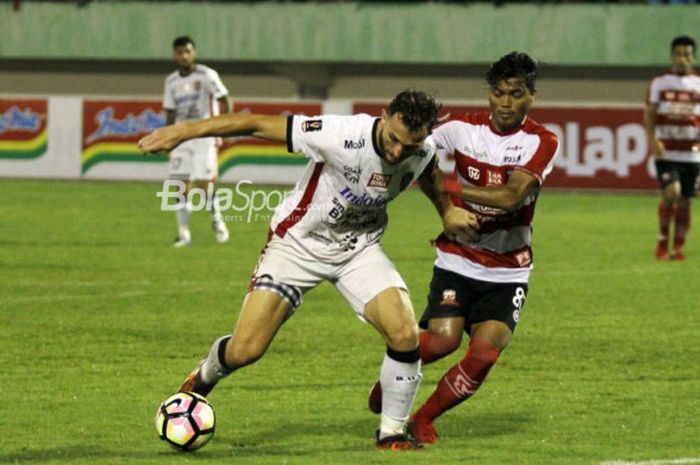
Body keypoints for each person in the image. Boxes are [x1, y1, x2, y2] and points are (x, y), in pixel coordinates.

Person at [139, 90, 480, 449]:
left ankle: (391, 433)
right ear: (384, 116)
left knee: (405, 334)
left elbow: (427, 174)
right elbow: (252, 123)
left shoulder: (421, 150)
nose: (397, 152)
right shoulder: (339, 134)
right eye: (393, 139)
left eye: (408, 146)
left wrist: (446, 210)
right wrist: (183, 131)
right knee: (245, 350)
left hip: (358, 249)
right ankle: (204, 375)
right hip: (297, 245)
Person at [367, 52, 559, 444]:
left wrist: (448, 191)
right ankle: (388, 381)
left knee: (484, 355)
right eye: (498, 93)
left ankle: (422, 417)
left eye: (516, 94)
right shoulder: (461, 129)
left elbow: (509, 197)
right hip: (459, 258)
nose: (505, 103)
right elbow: (415, 150)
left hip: (509, 269)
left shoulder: (543, 141)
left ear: (532, 96)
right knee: (442, 341)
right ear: (489, 93)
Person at [163, 35, 232, 247]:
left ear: (194, 53)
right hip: (182, 137)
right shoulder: (171, 81)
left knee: (203, 186)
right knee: (181, 185)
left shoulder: (207, 75)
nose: (183, 56)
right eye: (179, 52)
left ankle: (216, 218)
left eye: (187, 51)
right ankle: (184, 235)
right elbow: (170, 111)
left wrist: (224, 125)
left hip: (204, 135)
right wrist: (169, 138)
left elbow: (224, 99)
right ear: (175, 55)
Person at [645, 35, 700, 261]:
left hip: (692, 153)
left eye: (686, 55)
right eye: (678, 54)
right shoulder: (660, 82)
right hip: (667, 151)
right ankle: (661, 242)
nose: (681, 59)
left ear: (693, 57)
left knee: (685, 201)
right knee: (672, 193)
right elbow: (650, 115)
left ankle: (678, 247)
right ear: (672, 56)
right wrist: (653, 140)